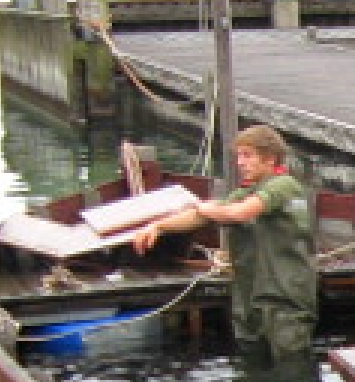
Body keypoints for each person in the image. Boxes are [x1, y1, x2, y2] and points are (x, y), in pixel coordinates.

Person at [133, 125, 317, 362]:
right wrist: (158, 226)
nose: (240, 162)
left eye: (247, 155)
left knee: (289, 365)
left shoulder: (283, 185)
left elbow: (240, 213)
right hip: (251, 296)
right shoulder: (248, 191)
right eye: (238, 155)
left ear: (270, 159)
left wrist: (206, 207)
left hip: (284, 299)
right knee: (251, 361)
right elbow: (204, 215)